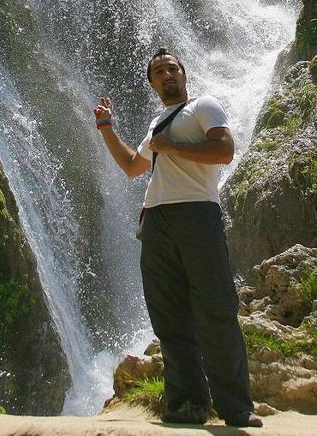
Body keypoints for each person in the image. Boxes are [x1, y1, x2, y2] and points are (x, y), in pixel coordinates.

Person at [94, 47, 262, 428]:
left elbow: (224, 150)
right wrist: (106, 127)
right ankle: (187, 404)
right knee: (169, 317)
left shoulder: (203, 106)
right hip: (155, 221)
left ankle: (236, 407)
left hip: (197, 213)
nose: (167, 74)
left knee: (215, 310)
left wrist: (171, 147)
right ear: (152, 84)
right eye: (158, 71)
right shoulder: (155, 125)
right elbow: (132, 167)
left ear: (184, 75)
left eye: (172, 68)